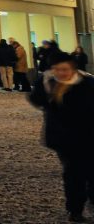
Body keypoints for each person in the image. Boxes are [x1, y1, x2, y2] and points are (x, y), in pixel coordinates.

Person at [27, 52, 94, 222]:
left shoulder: (87, 82)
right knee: (73, 174)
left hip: (89, 135)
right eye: (57, 69)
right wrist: (41, 86)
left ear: (72, 68)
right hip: (64, 138)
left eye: (64, 69)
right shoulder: (48, 83)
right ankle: (75, 210)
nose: (61, 73)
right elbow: (36, 100)